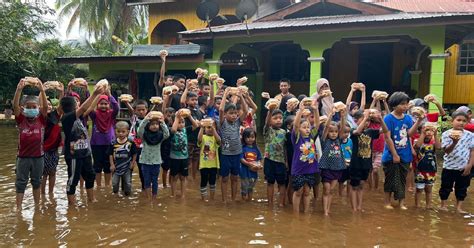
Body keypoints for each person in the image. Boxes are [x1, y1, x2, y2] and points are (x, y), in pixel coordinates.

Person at [61, 84, 104, 205]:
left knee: (90, 176)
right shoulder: (67, 118)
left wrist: (100, 94)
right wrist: (94, 93)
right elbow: (84, 108)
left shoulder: (79, 118)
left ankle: (91, 199)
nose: (78, 103)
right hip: (74, 155)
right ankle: (72, 204)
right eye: (76, 102)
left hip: (85, 153)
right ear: (73, 106)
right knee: (73, 179)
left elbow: (89, 107)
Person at [382, 92, 422, 210]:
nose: (405, 106)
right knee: (389, 179)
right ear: (394, 105)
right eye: (402, 104)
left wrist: (418, 121)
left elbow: (409, 134)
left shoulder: (408, 118)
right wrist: (394, 154)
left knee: (402, 180)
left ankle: (401, 203)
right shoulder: (388, 118)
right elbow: (387, 137)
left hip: (405, 154)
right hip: (390, 155)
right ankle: (387, 202)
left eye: (406, 104)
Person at [13, 78, 48, 210]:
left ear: (38, 108)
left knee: (37, 182)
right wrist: (19, 89)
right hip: (22, 157)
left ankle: (37, 206)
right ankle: (19, 208)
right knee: (20, 183)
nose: (32, 109)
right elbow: (15, 106)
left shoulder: (41, 119)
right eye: (28, 107)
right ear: (24, 108)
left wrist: (42, 90)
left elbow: (45, 106)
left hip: (38, 157)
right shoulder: (21, 119)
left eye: (34, 107)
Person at [349, 109, 387, 212]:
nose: (366, 123)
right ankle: (354, 208)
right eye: (363, 120)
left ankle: (360, 207)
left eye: (367, 121)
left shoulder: (370, 132)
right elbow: (357, 132)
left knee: (361, 185)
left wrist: (380, 119)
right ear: (356, 121)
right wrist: (365, 117)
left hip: (366, 164)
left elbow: (384, 130)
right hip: (356, 163)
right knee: (354, 186)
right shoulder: (352, 130)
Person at [439, 111, 474, 214]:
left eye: (464, 121)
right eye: (458, 120)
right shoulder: (447, 134)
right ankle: (443, 205)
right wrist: (454, 142)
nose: (461, 123)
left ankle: (459, 207)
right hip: (449, 166)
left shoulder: (470, 135)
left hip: (463, 167)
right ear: (452, 121)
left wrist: (470, 165)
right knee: (445, 186)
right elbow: (446, 150)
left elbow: (472, 151)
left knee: (462, 188)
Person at [85, 85, 119, 187]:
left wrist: (109, 94)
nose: (103, 106)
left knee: (108, 166)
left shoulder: (112, 114)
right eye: (101, 104)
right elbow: (89, 108)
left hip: (109, 144)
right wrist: (94, 94)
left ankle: (108, 186)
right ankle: (99, 186)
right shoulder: (94, 115)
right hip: (96, 144)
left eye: (106, 104)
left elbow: (116, 107)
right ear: (97, 105)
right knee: (97, 166)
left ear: (109, 105)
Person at [219, 88, 248, 203]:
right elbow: (221, 109)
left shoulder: (237, 122)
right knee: (225, 178)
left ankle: (233, 199)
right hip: (225, 154)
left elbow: (245, 111)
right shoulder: (222, 123)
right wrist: (225, 94)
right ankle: (224, 200)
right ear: (225, 115)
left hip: (237, 153)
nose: (234, 115)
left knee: (235, 178)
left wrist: (241, 96)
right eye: (231, 113)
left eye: (235, 113)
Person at [291, 100, 320, 213]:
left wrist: (316, 109)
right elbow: (295, 125)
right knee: (298, 192)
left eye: (308, 127)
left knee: (307, 192)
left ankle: (306, 212)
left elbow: (317, 125)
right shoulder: (297, 138)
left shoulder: (311, 137)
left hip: (310, 169)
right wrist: (301, 111)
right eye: (304, 127)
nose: (307, 129)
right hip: (298, 170)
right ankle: (296, 214)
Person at [319, 108, 347, 216]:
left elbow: (343, 128)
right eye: (331, 132)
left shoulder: (339, 140)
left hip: (337, 168)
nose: (334, 134)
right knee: (326, 189)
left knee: (331, 190)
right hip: (326, 168)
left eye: (335, 132)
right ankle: (325, 211)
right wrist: (330, 115)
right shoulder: (325, 140)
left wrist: (343, 116)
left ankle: (328, 209)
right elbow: (326, 127)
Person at [137, 112, 169, 201]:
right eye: (152, 124)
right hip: (145, 162)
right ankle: (148, 198)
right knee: (147, 181)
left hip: (156, 162)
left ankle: (154, 198)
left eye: (156, 124)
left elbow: (167, 134)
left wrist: (162, 122)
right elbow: (139, 130)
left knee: (155, 181)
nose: (155, 126)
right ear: (148, 126)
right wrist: (146, 119)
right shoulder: (144, 136)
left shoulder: (160, 136)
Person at [169, 110, 199, 198]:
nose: (181, 124)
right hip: (174, 158)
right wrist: (177, 118)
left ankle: (183, 195)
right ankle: (173, 194)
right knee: (174, 177)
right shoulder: (171, 130)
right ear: (174, 122)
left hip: (184, 158)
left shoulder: (186, 130)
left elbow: (196, 125)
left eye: (183, 122)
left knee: (183, 177)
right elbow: (174, 130)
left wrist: (189, 116)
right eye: (179, 122)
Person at [263, 105, 287, 207]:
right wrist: (270, 111)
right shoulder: (267, 130)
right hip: (269, 160)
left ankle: (281, 203)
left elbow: (285, 148)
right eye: (275, 118)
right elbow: (267, 123)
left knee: (282, 183)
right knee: (270, 182)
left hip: (281, 161)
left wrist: (286, 162)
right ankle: (270, 203)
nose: (278, 120)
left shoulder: (284, 132)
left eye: (280, 118)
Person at [413, 123, 440, 209]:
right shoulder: (417, 140)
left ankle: (428, 206)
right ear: (421, 131)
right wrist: (423, 134)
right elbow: (417, 146)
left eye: (431, 130)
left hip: (431, 170)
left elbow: (439, 147)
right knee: (419, 189)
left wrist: (435, 134)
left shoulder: (434, 141)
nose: (429, 132)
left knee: (429, 189)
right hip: (420, 170)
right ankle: (417, 206)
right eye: (426, 130)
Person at [124, 99, 149, 192]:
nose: (141, 112)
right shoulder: (134, 118)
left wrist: (156, 105)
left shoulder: (148, 119)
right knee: (129, 167)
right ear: (135, 110)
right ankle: (127, 187)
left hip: (142, 148)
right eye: (139, 110)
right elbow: (131, 111)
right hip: (132, 146)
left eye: (143, 110)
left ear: (147, 110)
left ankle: (144, 187)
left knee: (142, 169)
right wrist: (126, 103)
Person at [108, 121, 137, 196]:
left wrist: (133, 163)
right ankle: (115, 196)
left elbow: (134, 154)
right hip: (116, 167)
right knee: (114, 183)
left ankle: (127, 196)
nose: (121, 133)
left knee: (127, 183)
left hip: (127, 167)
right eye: (118, 131)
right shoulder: (113, 143)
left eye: (123, 132)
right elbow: (110, 154)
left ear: (127, 132)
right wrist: (112, 165)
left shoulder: (130, 142)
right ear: (115, 131)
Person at [180, 87, 203, 181]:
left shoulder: (198, 111)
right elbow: (182, 127)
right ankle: (187, 179)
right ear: (187, 101)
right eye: (192, 100)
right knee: (188, 160)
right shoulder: (185, 112)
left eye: (196, 100)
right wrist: (193, 127)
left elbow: (200, 123)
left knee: (196, 160)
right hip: (188, 139)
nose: (195, 102)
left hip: (197, 139)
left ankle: (193, 178)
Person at [41, 97, 63, 195]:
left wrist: (62, 92)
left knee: (53, 172)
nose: (48, 106)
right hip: (44, 149)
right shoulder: (41, 118)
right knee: (44, 174)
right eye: (47, 104)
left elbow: (61, 106)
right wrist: (42, 91)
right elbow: (43, 107)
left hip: (54, 149)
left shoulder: (55, 116)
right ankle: (42, 194)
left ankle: (50, 193)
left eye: (50, 104)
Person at [197, 121, 220, 201]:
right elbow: (199, 140)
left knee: (212, 182)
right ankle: (203, 199)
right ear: (205, 129)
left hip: (213, 165)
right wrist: (201, 127)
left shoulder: (215, 137)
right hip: (204, 165)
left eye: (212, 127)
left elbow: (219, 141)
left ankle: (212, 198)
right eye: (208, 127)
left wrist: (214, 130)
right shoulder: (203, 137)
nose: (210, 129)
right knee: (203, 181)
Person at [240, 128, 262, 202]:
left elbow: (259, 159)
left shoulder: (256, 148)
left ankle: (249, 201)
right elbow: (241, 159)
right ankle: (244, 202)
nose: (250, 139)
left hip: (253, 173)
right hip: (244, 172)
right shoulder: (242, 148)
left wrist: (259, 165)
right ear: (244, 138)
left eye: (252, 137)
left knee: (251, 188)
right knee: (244, 188)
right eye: (248, 137)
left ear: (255, 138)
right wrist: (249, 164)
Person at [339, 123, 352, 197]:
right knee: (341, 181)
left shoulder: (350, 141)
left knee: (349, 181)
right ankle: (340, 196)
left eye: (348, 132)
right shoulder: (338, 141)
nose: (346, 134)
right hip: (341, 165)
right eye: (344, 132)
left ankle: (348, 196)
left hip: (349, 164)